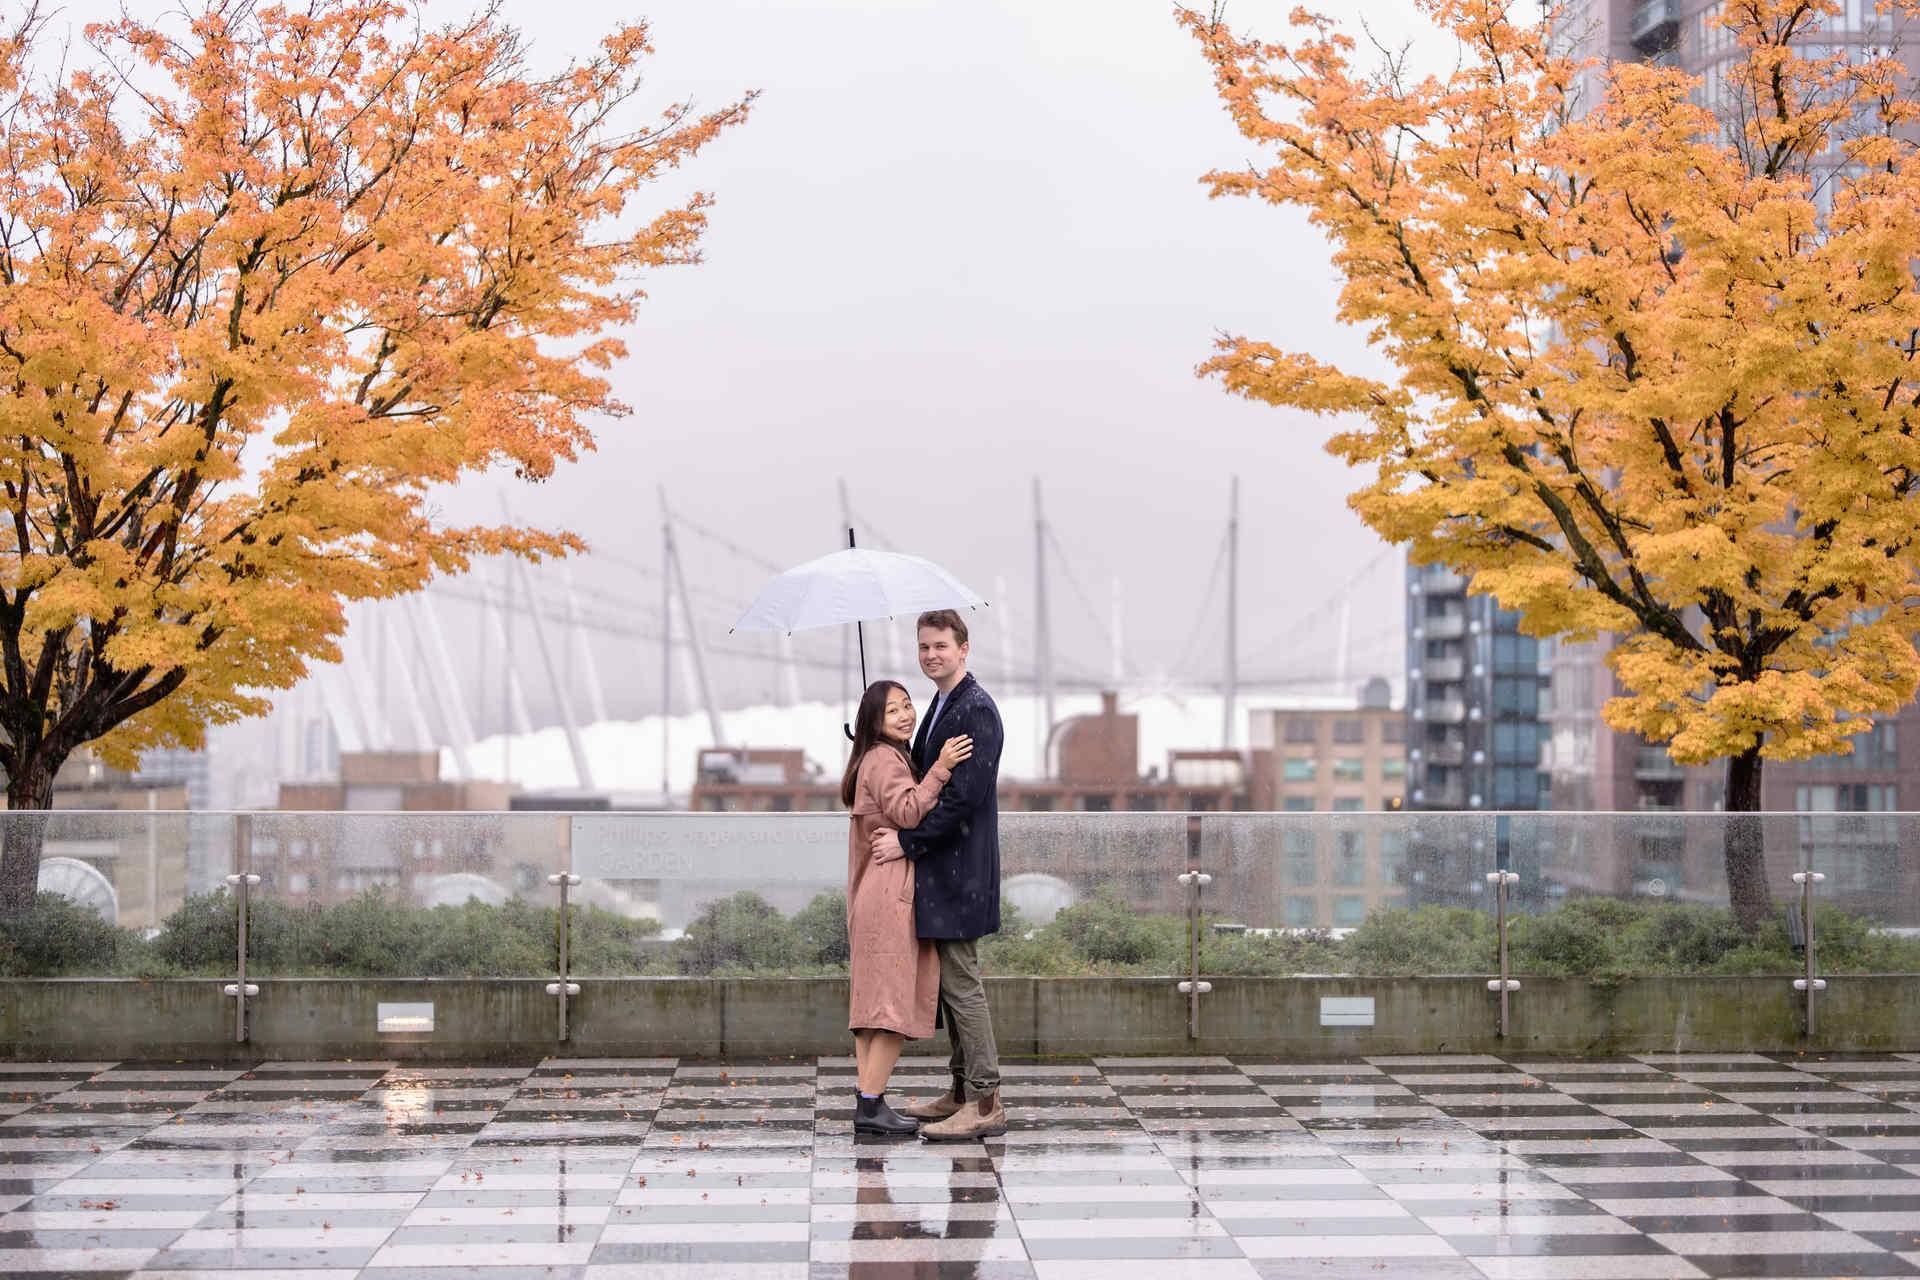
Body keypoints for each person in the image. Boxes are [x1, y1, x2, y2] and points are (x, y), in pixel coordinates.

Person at [872, 609, 1008, 1142]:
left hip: (961, 869)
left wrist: (908, 843)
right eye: (924, 646)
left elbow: (962, 800)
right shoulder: (941, 704)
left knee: (962, 983)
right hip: (945, 869)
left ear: (964, 648)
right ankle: (959, 1092)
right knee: (952, 987)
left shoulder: (976, 710)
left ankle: (986, 1098)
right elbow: (925, 774)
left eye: (940, 647)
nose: (930, 655)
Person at [842, 678, 974, 1136]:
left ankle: (869, 1103)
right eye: (893, 710)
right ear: (873, 721)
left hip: (874, 893)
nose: (905, 715)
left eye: (907, 706)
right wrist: (939, 768)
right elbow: (908, 813)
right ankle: (870, 1104)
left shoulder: (878, 757)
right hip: (890, 895)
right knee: (892, 1009)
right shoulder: (883, 759)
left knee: (873, 1010)